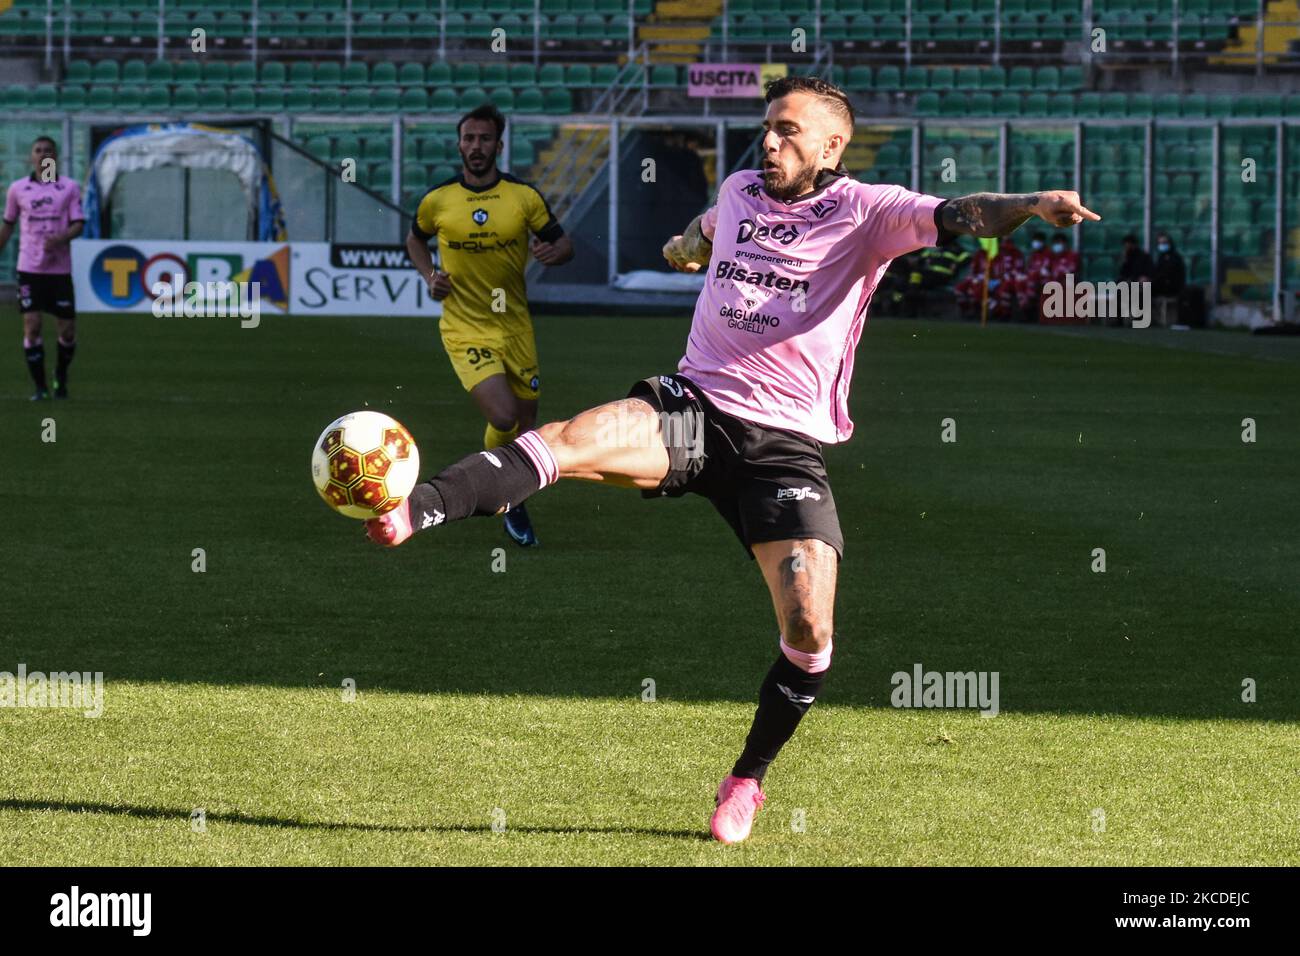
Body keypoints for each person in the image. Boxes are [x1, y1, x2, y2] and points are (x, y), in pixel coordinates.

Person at [368, 76, 1099, 844]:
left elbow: (959, 215)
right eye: (767, 127)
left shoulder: (868, 211)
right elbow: (707, 228)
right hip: (691, 412)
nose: (771, 142)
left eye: (788, 130)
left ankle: (746, 778)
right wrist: (687, 246)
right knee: (569, 440)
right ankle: (416, 508)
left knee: (812, 629)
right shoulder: (746, 189)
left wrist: (1029, 204)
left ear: (831, 146)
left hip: (781, 447)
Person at [405, 104, 575, 547]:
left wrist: (556, 253)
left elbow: (562, 243)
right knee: (503, 415)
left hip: (515, 326)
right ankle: (508, 499)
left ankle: (511, 489)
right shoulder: (438, 200)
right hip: (465, 327)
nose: (476, 147)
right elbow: (414, 238)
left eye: (484, 140)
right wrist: (430, 276)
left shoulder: (524, 197)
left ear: (499, 146)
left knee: (527, 425)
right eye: (469, 139)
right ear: (459, 144)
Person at [0, 136, 84, 400]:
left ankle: (60, 374)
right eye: (38, 150)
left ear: (55, 157)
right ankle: (40, 388)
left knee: (67, 331)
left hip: (59, 269)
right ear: (31, 157)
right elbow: (8, 224)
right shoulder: (17, 189)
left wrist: (60, 238)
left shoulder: (69, 187)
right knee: (32, 325)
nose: (43, 154)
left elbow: (78, 224)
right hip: (29, 267)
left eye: (48, 150)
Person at [955, 236, 1024, 321]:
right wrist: (978, 277)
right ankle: (969, 311)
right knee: (969, 289)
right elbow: (975, 271)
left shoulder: (1002, 254)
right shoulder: (980, 254)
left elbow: (1003, 271)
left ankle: (1002, 314)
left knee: (1000, 291)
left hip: (997, 281)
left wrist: (998, 279)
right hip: (983, 280)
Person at [1152, 231, 1186, 326]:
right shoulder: (1161, 257)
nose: (1162, 245)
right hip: (1161, 285)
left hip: (1171, 287)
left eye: (1164, 243)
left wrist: (1153, 281)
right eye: (1160, 243)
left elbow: (1166, 275)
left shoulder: (1175, 258)